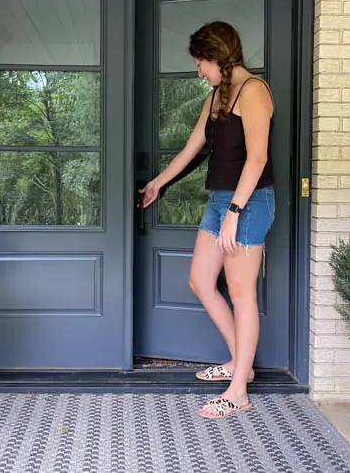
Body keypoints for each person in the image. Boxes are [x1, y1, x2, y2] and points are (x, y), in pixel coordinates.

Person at [139, 21, 275, 419]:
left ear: (217, 58)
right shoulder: (217, 94)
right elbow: (193, 145)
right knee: (200, 279)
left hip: (248, 204)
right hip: (219, 201)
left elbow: (258, 158)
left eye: (201, 62)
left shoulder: (254, 92)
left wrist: (234, 212)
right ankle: (241, 363)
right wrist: (158, 183)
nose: (199, 70)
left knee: (240, 292)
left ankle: (238, 392)